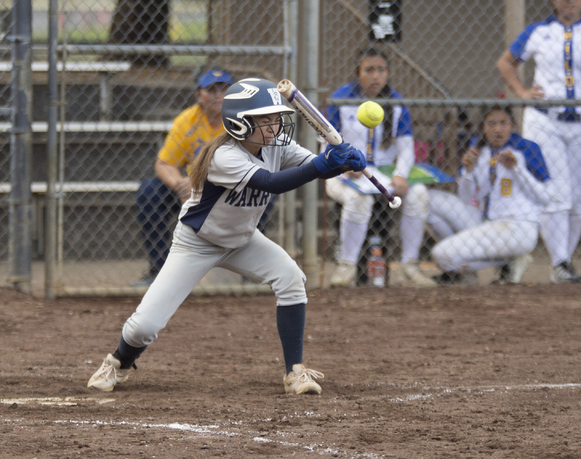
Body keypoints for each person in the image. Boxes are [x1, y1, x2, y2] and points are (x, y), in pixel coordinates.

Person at [87, 78, 368, 395]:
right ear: (239, 122)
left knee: (291, 277)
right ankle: (117, 363)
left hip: (243, 239)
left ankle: (295, 372)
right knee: (144, 327)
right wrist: (325, 163)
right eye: (265, 119)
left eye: (276, 117)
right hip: (198, 243)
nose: (274, 125)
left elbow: (311, 165)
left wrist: (343, 162)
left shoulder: (277, 144)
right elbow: (273, 183)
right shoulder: (223, 156)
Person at [325, 47, 436, 287]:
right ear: (358, 72)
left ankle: (409, 265)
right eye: (369, 70)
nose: (376, 76)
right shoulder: (341, 99)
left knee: (418, 194)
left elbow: (406, 148)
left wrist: (400, 175)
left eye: (381, 70)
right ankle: (347, 267)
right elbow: (326, 144)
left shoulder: (395, 103)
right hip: (342, 172)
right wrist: (344, 163)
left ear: (388, 73)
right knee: (359, 199)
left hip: (382, 172)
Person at [497, 0, 581, 283]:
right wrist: (521, 91)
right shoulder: (539, 31)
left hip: (579, 122)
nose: (569, 3)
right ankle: (559, 262)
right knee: (556, 191)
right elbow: (506, 62)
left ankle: (564, 263)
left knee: (578, 197)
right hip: (546, 121)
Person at [132, 68, 233, 287]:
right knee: (149, 191)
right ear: (199, 95)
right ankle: (160, 272)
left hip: (231, 189)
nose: (218, 95)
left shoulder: (240, 120)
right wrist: (180, 185)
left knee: (263, 190)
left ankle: (250, 275)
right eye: (211, 89)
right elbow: (164, 164)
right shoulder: (187, 121)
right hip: (190, 192)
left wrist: (199, 183)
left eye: (224, 89)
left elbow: (248, 167)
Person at [430, 105, 554, 283]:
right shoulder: (481, 149)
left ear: (512, 126)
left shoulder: (526, 148)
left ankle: (505, 260)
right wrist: (468, 171)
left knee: (441, 255)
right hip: (486, 221)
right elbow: (465, 198)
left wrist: (517, 169)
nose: (498, 129)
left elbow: (546, 197)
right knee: (429, 200)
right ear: (483, 127)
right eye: (491, 123)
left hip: (518, 227)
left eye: (504, 123)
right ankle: (507, 261)